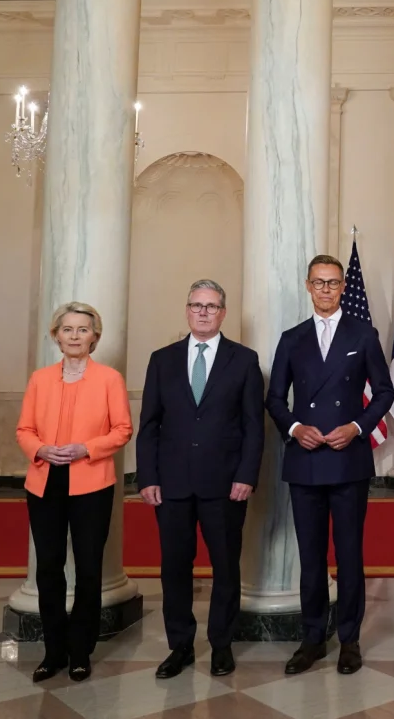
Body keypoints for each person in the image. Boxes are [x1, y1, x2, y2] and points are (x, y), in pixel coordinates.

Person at [266, 254, 394, 675]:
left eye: (333, 283)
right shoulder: (292, 338)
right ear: (307, 286)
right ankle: (312, 637)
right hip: (305, 458)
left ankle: (350, 640)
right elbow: (274, 399)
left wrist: (358, 426)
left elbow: (384, 392)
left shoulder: (363, 333)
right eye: (318, 283)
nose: (326, 290)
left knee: (350, 554)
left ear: (343, 288)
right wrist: (295, 427)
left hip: (347, 459)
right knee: (311, 555)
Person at [136, 279, 265, 679]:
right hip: (171, 484)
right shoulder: (162, 359)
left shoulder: (244, 360)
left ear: (223, 312)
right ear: (187, 310)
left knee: (226, 566)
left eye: (211, 306)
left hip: (225, 484)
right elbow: (149, 425)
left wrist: (246, 475)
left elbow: (253, 426)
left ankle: (221, 644)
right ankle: (180, 646)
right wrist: (147, 476)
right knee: (174, 567)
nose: (203, 312)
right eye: (196, 305)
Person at [16, 303, 133, 683]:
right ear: (56, 335)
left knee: (88, 568)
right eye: (67, 329)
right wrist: (40, 449)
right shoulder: (39, 379)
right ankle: (53, 652)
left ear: (95, 337)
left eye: (83, 330)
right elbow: (24, 430)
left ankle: (80, 651)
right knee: (48, 567)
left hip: (91, 483)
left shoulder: (109, 379)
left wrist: (87, 448)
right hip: (44, 481)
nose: (75, 336)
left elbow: (122, 429)